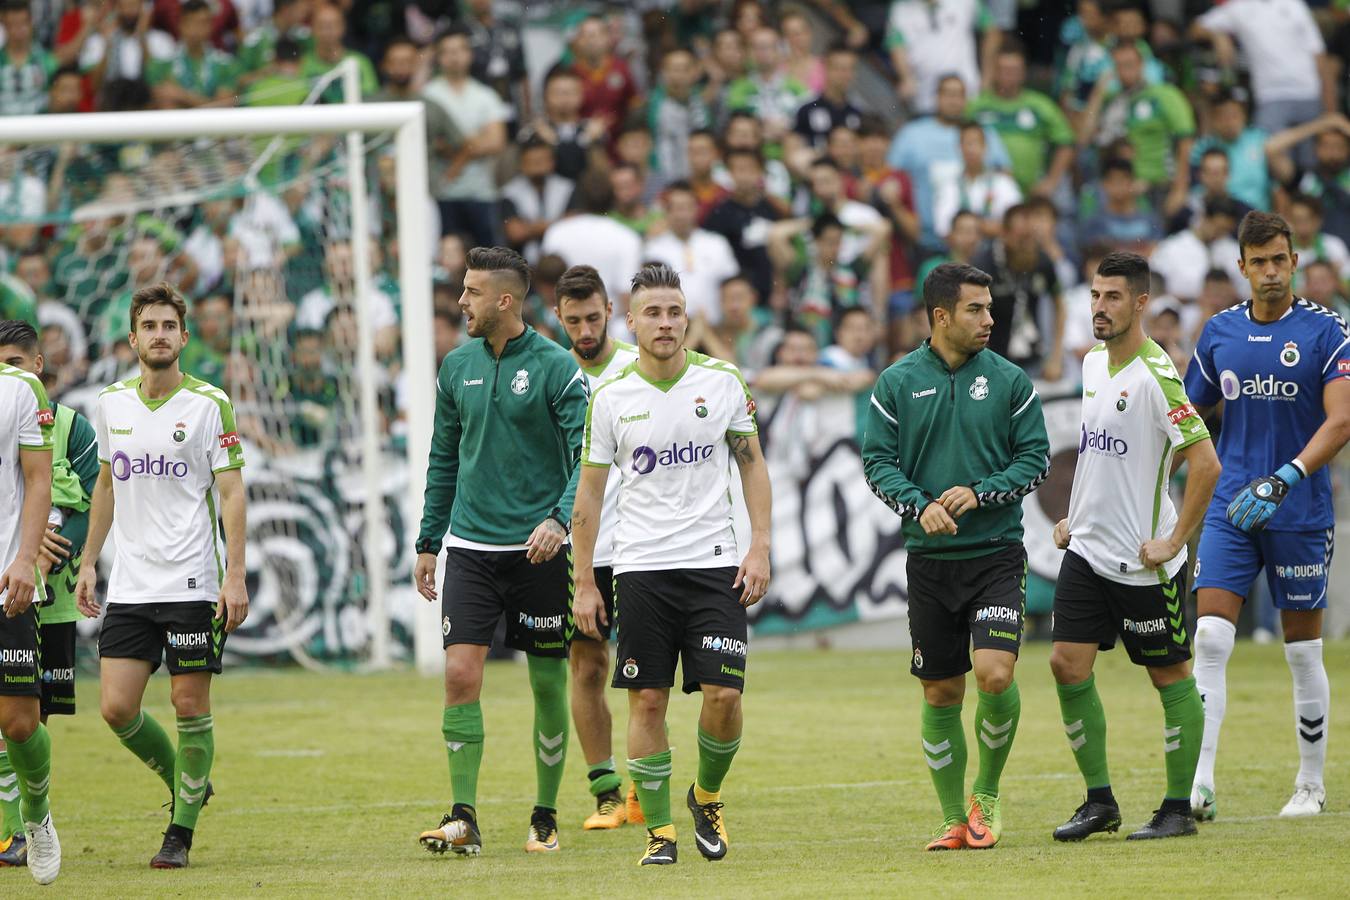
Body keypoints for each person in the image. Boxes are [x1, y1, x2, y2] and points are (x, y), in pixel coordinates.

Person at [571, 263, 772, 866]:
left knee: (724, 697)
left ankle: (706, 797)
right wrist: (583, 580)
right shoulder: (610, 397)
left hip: (715, 566)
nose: (665, 323)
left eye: (675, 311)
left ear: (688, 317)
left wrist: (758, 544)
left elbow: (753, 464)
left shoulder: (725, 381)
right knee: (648, 702)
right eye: (653, 313)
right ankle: (660, 832)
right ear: (629, 322)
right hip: (640, 571)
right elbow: (589, 494)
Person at [863, 263, 1050, 851]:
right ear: (941, 316)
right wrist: (919, 506)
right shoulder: (895, 383)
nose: (989, 320)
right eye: (976, 309)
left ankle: (986, 796)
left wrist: (981, 491)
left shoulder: (1011, 381)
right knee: (941, 692)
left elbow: (1036, 459)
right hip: (929, 560)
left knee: (995, 674)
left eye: (990, 308)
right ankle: (952, 817)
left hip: (995, 553)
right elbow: (877, 463)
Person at [413, 247, 589, 858]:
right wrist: (430, 540)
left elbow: (589, 460)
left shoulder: (556, 369)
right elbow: (442, 457)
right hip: (469, 547)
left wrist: (558, 521)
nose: (461, 301)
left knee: (546, 685)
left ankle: (545, 813)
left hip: (538, 554)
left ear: (505, 301)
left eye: (471, 292)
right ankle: (463, 816)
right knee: (460, 675)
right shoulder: (454, 365)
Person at [73, 282, 249, 869]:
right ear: (133, 338)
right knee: (116, 708)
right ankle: (190, 781)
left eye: (169, 326)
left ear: (184, 337)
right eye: (149, 326)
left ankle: (181, 831)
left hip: (193, 582)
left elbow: (231, 491)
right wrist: (90, 563)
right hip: (130, 584)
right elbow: (104, 485)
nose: (159, 335)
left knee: (188, 703)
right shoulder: (112, 403)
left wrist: (237, 575)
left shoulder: (209, 404)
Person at [1047, 251, 1221, 843]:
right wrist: (1074, 516)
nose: (1099, 307)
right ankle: (1100, 801)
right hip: (1086, 551)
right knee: (1065, 665)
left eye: (1113, 297)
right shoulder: (1094, 363)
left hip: (1142, 565)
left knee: (1170, 677)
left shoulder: (1158, 373)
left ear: (1140, 302)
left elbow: (1205, 463)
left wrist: (1173, 539)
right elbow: (1101, 453)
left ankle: (1176, 809)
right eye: (1096, 295)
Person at [1183, 211, 1350, 821]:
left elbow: (1342, 420)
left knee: (1302, 653)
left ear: (1295, 260)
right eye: (1260, 262)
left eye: (1280, 259)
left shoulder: (1327, 333)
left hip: (1298, 507)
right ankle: (1197, 784)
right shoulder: (1218, 333)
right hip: (1232, 505)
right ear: (1243, 268)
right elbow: (1190, 414)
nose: (1272, 272)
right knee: (1209, 638)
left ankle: (1310, 784)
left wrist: (1286, 477)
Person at [0, 322, 97, 869]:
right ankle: (12, 833)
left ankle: (33, 816)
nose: (9, 371)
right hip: (26, 576)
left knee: (25, 722)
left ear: (38, 365)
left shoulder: (69, 427)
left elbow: (84, 496)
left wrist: (36, 552)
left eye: (17, 361)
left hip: (40, 591)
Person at [549, 265, 641, 831]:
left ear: (610, 311)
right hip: (580, 546)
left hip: (639, 546)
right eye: (573, 320)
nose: (584, 330)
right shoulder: (554, 374)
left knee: (642, 672)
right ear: (557, 318)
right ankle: (606, 790)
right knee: (586, 666)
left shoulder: (639, 365)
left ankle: (639, 786)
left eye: (592, 317)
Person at [0, 328, 59, 885]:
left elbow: (39, 481)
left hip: (6, 576)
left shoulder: (20, 388)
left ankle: (36, 817)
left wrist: (25, 559)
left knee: (19, 723)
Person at [422, 27, 508, 248]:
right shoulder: (428, 94)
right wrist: (475, 141)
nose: (454, 57)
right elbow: (429, 142)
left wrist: (456, 149)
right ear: (438, 57)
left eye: (460, 50)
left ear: (470, 54)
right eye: (447, 52)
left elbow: (497, 141)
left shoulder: (485, 95)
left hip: (481, 191)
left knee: (488, 259)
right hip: (440, 191)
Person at [967, 39, 1075, 196]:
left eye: (1014, 70)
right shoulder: (977, 107)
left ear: (1024, 72)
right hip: (985, 193)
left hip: (1030, 196)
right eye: (1004, 70)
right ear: (994, 71)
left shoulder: (1041, 106)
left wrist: (1052, 181)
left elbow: (1066, 142)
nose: (1009, 75)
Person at [975, 204, 1066, 380]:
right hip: (992, 360)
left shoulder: (1042, 261)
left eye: (1032, 238)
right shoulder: (984, 265)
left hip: (1033, 358)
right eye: (1022, 239)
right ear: (1005, 235)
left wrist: (1055, 357)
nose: (1029, 246)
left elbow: (1060, 305)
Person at [643, 182, 740, 322]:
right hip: (671, 329)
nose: (681, 214)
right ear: (666, 211)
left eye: (686, 208)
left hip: (715, 326)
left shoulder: (717, 244)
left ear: (696, 209)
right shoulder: (653, 249)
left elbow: (732, 287)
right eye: (676, 208)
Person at [931, 121, 1022, 241]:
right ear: (959, 148)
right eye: (967, 143)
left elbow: (1015, 226)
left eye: (976, 143)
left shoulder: (1003, 183)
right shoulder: (949, 186)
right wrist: (988, 227)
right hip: (961, 256)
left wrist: (966, 229)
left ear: (985, 147)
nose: (971, 149)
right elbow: (944, 230)